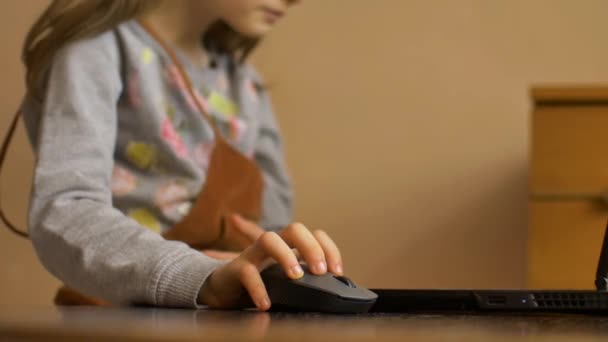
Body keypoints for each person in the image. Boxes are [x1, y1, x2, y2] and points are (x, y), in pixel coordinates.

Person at [18, 0, 343, 310]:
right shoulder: (95, 51)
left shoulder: (243, 81)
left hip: (222, 322)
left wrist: (286, 265)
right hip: (114, 320)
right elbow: (67, 212)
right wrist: (199, 274)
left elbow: (273, 221)